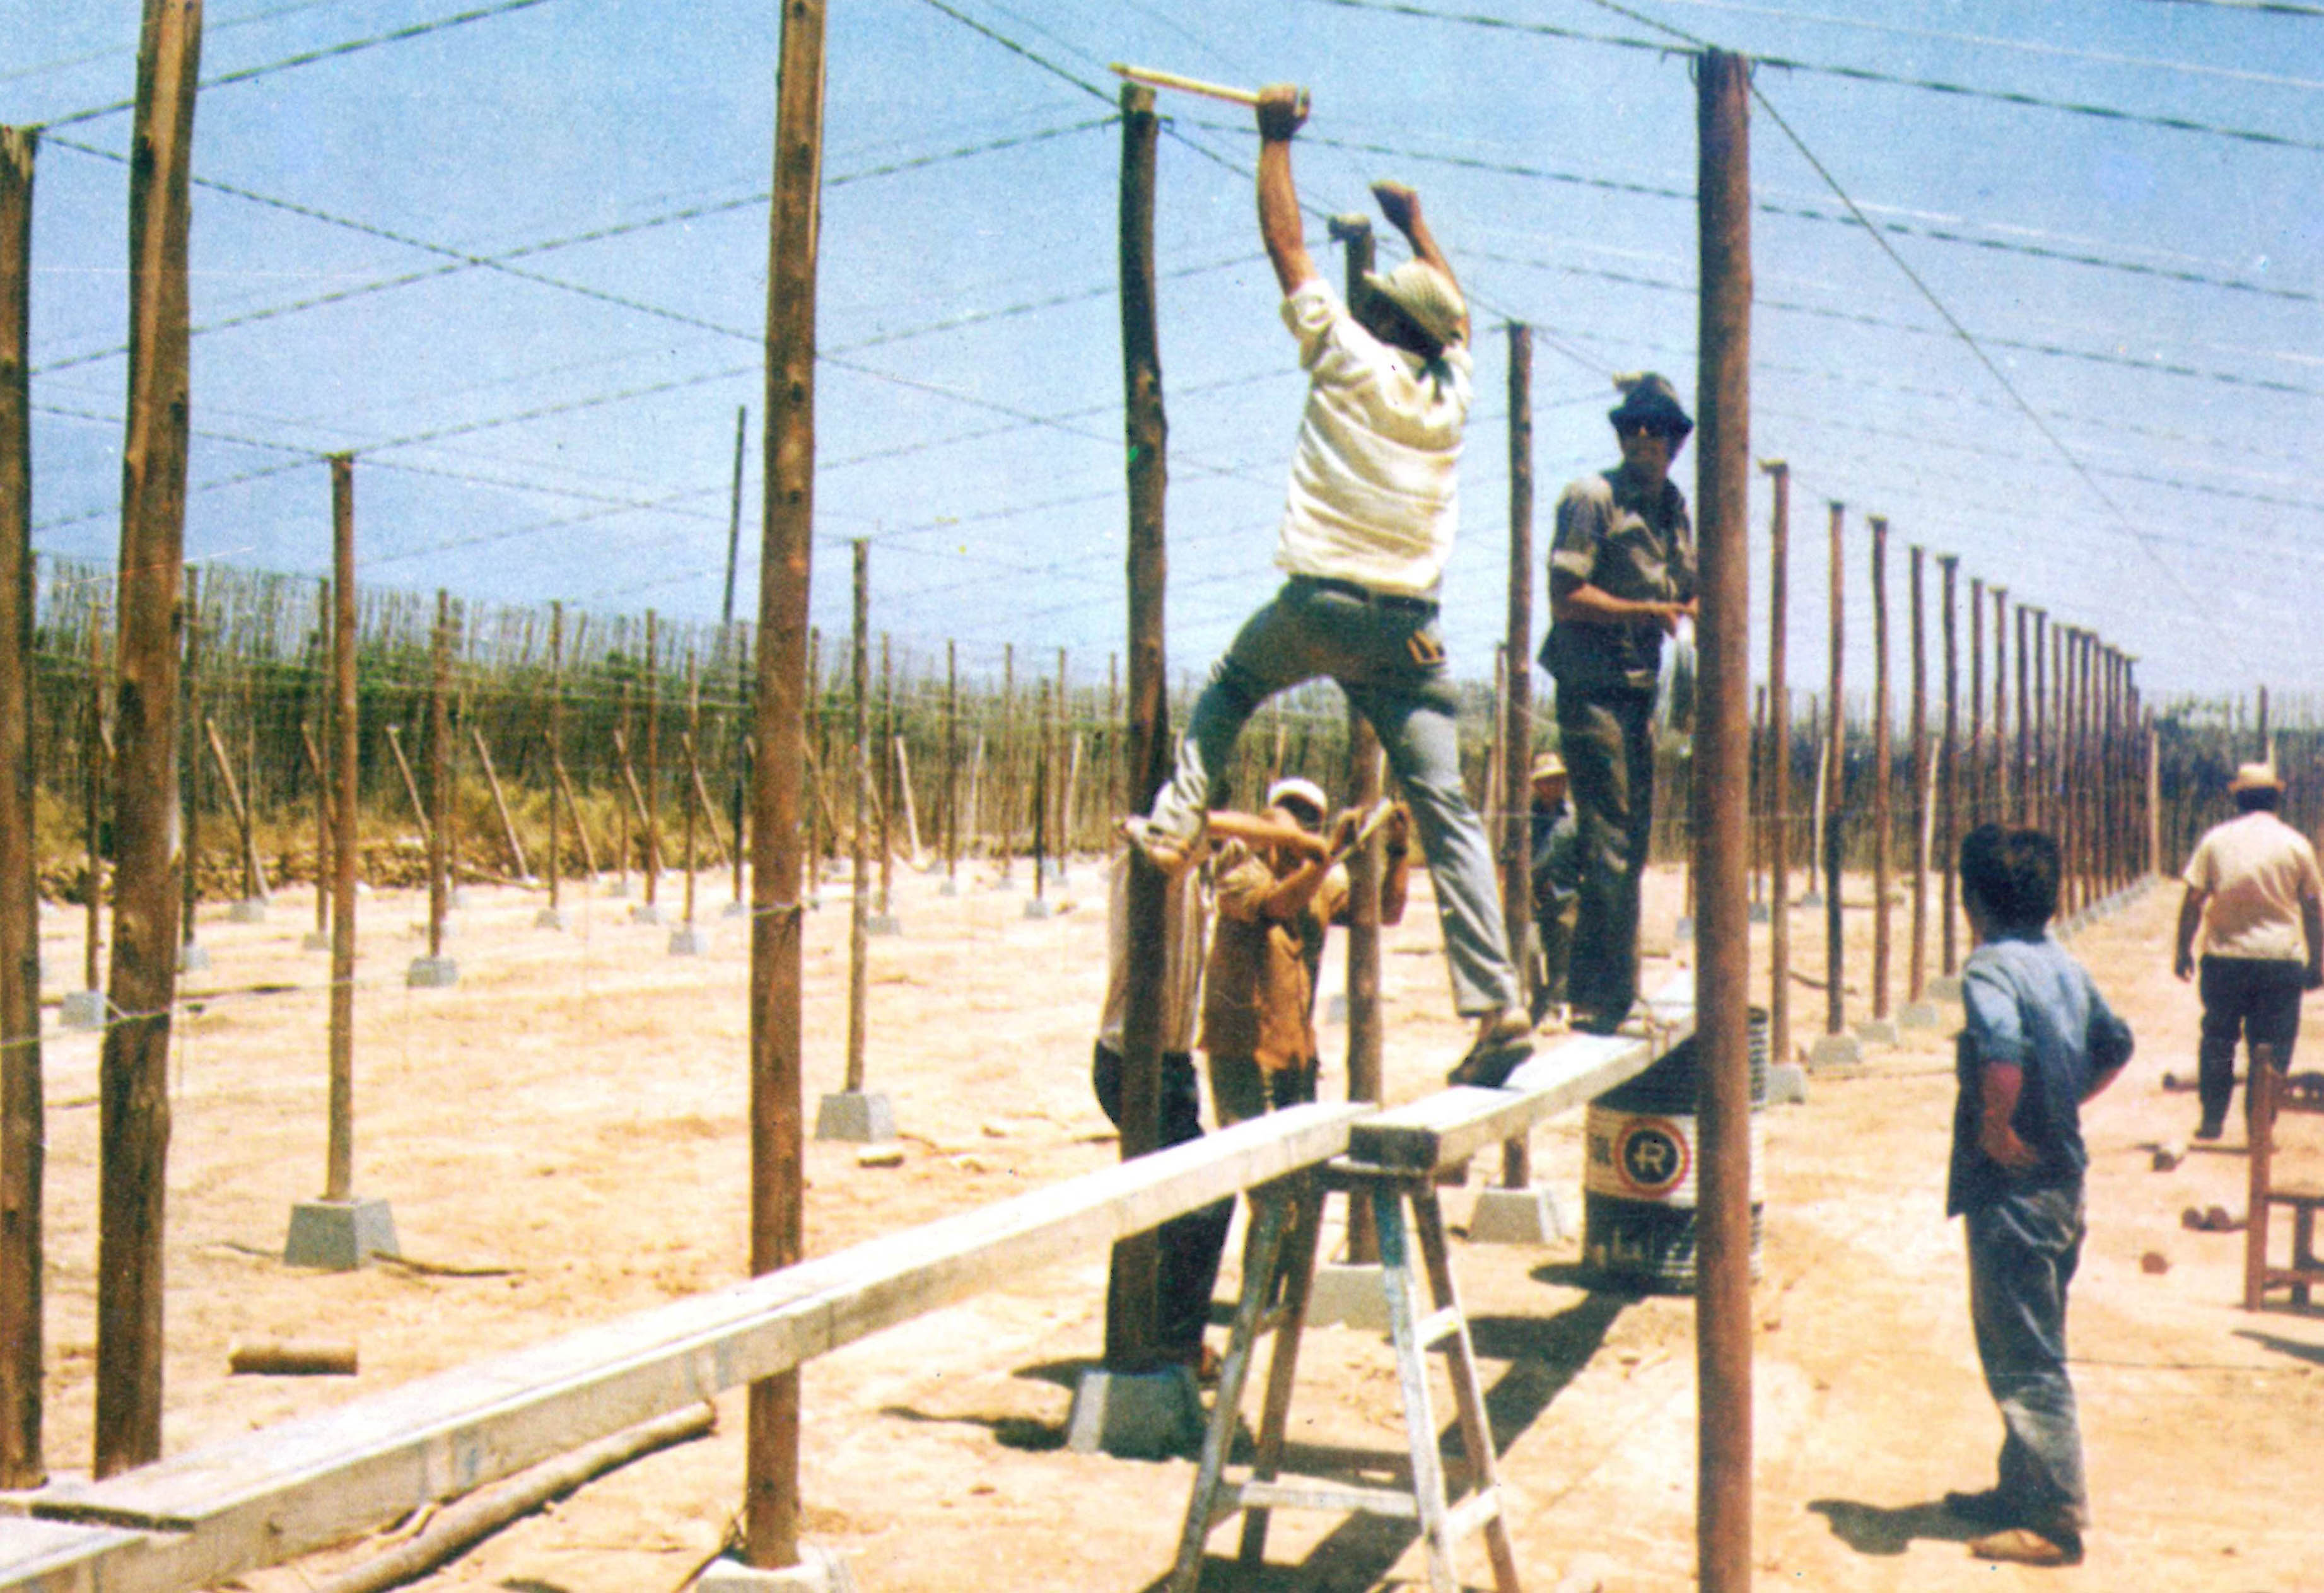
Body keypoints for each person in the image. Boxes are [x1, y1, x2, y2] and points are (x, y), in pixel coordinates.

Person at [1124, 81, 1531, 1080]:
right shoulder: (1452, 392)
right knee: (1446, 807)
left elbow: (1286, 247)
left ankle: (1174, 824)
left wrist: (1274, 141)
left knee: (1230, 687)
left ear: (1385, 321)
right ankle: (1497, 1001)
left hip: (1319, 604)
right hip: (1410, 631)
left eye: (1380, 301)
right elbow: (1458, 320)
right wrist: (1418, 224)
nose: (1367, 304)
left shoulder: (1348, 357)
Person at [1942, 824, 2134, 1568]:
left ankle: (2055, 1521)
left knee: (2025, 1356)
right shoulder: (2062, 962)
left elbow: (1998, 1051)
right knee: (2025, 1339)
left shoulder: (1989, 967)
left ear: (1972, 901)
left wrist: (1998, 1125)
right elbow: (2115, 1044)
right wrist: (2064, 1098)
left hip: (2013, 1189)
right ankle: (2019, 1487)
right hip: (2063, 1184)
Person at [1090, 803, 1327, 1376]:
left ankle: (1147, 1338)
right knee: (1199, 1201)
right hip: (1133, 1061)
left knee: (1165, 1203)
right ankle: (1170, 1344)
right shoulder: (1145, 846)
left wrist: (1309, 850)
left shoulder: (1187, 867)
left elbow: (1231, 848)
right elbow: (1208, 824)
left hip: (1168, 1064)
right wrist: (1298, 839)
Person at [1539, 373, 1698, 1034]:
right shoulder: (1592, 499)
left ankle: (1595, 990)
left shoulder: (1671, 507)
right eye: (1632, 427)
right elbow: (1565, 597)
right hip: (1591, 687)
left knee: (1630, 842)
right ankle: (1604, 1001)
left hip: (1638, 690)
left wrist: (1694, 609)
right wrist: (1646, 610)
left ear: (1675, 442)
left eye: (1656, 430)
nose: (1643, 438)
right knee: (1609, 840)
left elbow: (1688, 584)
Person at [1202, 779, 1411, 1125]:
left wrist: (1399, 849)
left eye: (1309, 820)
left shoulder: (1318, 882)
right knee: (1253, 1151)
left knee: (1298, 1152)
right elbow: (1278, 904)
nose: (1299, 827)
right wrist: (1327, 856)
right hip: (1244, 1054)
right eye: (1291, 814)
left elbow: (1386, 912)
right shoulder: (1238, 868)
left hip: (1296, 1054)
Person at [2171, 761, 2324, 1140]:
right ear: (2276, 799)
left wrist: (2182, 949)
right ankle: (2260, 1125)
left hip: (2224, 960)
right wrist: (2318, 960)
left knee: (2219, 1040)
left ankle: (2212, 1120)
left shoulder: (2216, 841)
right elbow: (2313, 908)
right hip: (2279, 961)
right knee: (2272, 1047)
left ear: (2238, 799)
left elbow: (2193, 900)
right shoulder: (2296, 844)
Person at [1527, 753, 1582, 1028]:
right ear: (1537, 785)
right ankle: (1537, 999)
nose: (1554, 786)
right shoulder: (1525, 819)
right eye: (1547, 781)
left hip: (1566, 896)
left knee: (1561, 955)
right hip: (1532, 898)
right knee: (1529, 949)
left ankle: (1555, 1006)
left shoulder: (1574, 818)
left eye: (1558, 780)